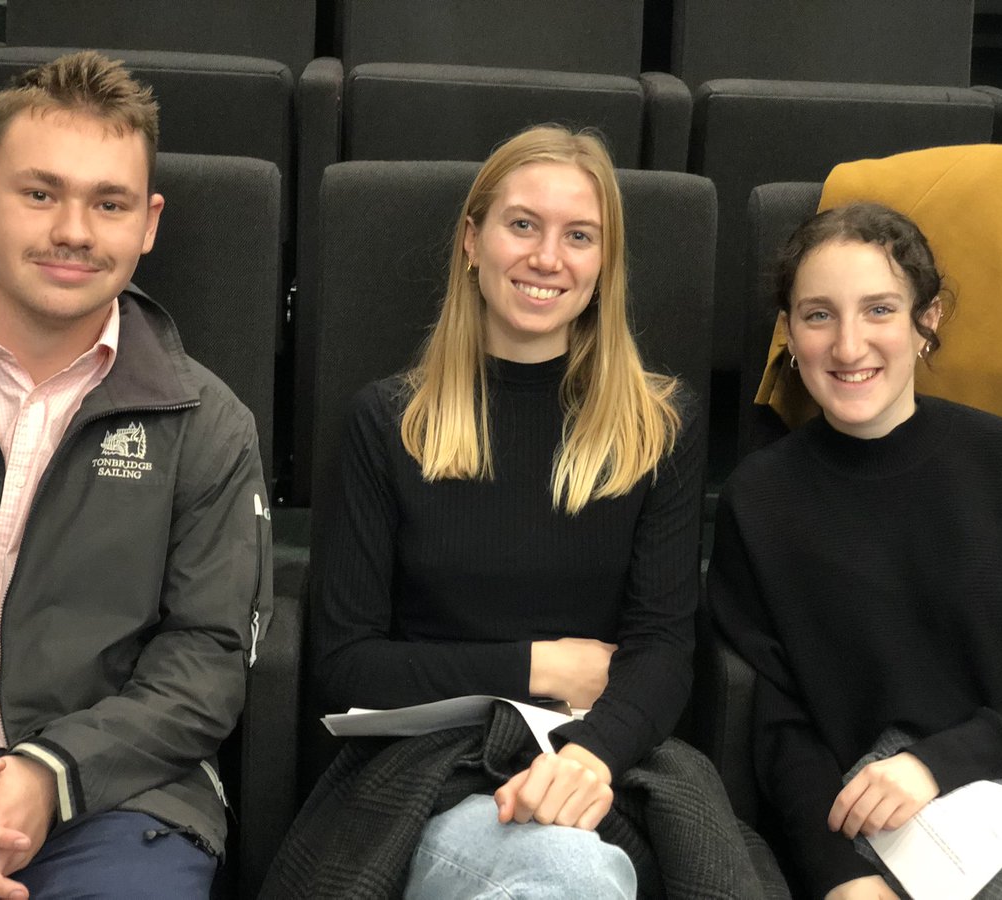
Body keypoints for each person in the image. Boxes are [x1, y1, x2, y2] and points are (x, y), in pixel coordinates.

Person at [275, 124, 763, 897]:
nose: (547, 258)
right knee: (568, 874)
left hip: (605, 762)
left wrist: (588, 757)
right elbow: (345, 665)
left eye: (579, 235)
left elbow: (664, 648)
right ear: (472, 241)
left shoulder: (660, 426)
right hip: (427, 772)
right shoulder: (388, 421)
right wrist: (538, 665)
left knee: (586, 868)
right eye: (523, 225)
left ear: (605, 265)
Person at [0, 51, 272, 898]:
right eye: (40, 193)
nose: (74, 229)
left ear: (147, 223)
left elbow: (208, 659)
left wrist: (45, 776)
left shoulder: (207, 424)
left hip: (105, 803)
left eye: (107, 203)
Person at [711, 202, 1002, 899]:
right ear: (791, 336)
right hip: (885, 801)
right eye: (818, 315)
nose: (848, 345)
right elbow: (777, 728)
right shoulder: (760, 500)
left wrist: (941, 762)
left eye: (879, 310)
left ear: (928, 321)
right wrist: (839, 877)